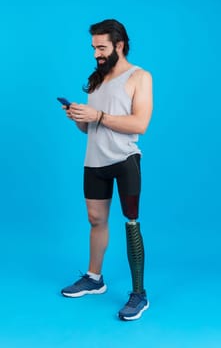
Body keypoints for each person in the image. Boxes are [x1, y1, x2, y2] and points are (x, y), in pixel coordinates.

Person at [60, 19, 153, 321]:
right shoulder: (97, 80)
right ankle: (94, 278)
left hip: (125, 159)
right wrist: (78, 117)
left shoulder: (140, 76)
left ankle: (139, 294)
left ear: (119, 45)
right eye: (94, 48)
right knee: (95, 219)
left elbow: (139, 124)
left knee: (131, 222)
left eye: (101, 47)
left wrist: (97, 114)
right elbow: (91, 129)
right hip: (95, 160)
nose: (96, 54)